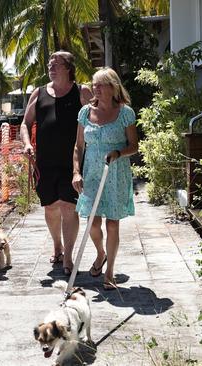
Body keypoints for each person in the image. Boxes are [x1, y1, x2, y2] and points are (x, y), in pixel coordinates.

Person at [20, 51, 93, 275]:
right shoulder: (39, 93)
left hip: (73, 162)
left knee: (68, 207)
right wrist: (27, 144)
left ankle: (68, 258)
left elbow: (96, 117)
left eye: (56, 64)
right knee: (51, 207)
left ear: (68, 68)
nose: (51, 67)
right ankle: (57, 246)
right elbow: (25, 123)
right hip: (45, 163)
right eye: (50, 63)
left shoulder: (81, 92)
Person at [72, 67, 139, 290]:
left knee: (112, 224)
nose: (95, 89)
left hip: (115, 172)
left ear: (113, 87)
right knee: (92, 222)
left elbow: (133, 146)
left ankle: (109, 272)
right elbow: (79, 146)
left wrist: (118, 153)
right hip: (91, 172)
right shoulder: (85, 113)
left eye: (100, 85)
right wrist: (76, 172)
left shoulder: (125, 113)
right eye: (94, 85)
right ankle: (101, 253)